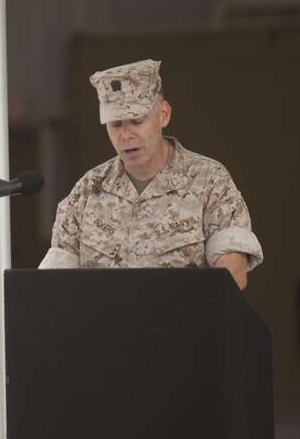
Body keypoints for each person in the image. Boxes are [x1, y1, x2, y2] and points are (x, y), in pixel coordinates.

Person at [38, 59, 263, 288]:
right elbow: (53, 285)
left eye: (137, 121)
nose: (126, 135)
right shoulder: (87, 191)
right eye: (115, 125)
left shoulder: (209, 181)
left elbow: (233, 273)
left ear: (163, 114)